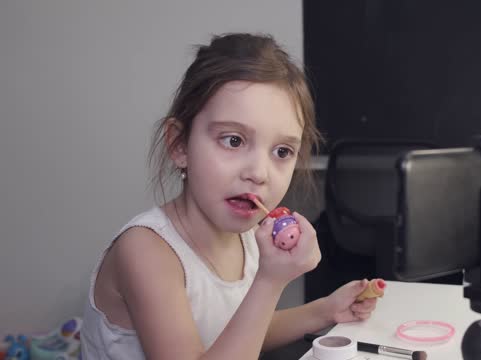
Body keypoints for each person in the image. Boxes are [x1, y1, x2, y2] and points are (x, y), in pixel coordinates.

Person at [80, 33, 378, 360]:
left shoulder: (248, 237)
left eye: (282, 150)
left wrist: (325, 310)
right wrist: (269, 281)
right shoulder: (146, 251)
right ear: (180, 145)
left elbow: (234, 335)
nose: (259, 172)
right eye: (233, 141)